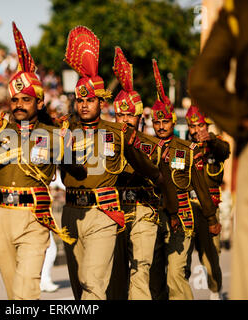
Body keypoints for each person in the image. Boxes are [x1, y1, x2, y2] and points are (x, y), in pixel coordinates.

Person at [0, 22, 75, 300]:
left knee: (25, 291)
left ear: (39, 104)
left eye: (26, 100)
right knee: (12, 292)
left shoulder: (57, 134)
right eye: (15, 99)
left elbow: (78, 170)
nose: (19, 104)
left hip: (35, 217)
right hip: (1, 217)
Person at [61, 26, 162, 300]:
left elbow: (147, 167)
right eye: (79, 99)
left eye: (90, 99)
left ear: (101, 102)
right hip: (73, 211)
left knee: (119, 278)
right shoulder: (65, 130)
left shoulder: (120, 135)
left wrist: (161, 183)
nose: (83, 105)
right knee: (85, 284)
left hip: (113, 210)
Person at [188, 0, 248, 300]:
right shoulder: (184, 147)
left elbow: (201, 81)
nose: (197, 131)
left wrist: (243, 122)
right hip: (190, 211)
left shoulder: (244, 8)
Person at [151, 59, 221, 300]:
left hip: (182, 217)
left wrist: (211, 218)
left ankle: (214, 290)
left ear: (173, 121)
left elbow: (201, 186)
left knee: (175, 274)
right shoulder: (146, 146)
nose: (161, 126)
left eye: (165, 121)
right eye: (156, 122)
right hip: (154, 218)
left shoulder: (187, 149)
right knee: (156, 276)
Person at [108, 47, 164, 300]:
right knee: (115, 275)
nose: (124, 119)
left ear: (139, 116)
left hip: (142, 210)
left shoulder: (151, 145)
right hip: (113, 209)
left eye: (130, 114)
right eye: (120, 114)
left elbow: (149, 172)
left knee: (140, 272)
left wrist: (130, 147)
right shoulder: (105, 142)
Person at [185, 105, 230, 300]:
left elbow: (225, 150)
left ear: (207, 125)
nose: (196, 130)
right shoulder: (182, 146)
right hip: (186, 207)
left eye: (200, 125)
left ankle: (214, 291)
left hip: (209, 209)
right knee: (181, 258)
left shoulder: (216, 145)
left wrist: (210, 138)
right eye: (192, 126)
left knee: (211, 255)